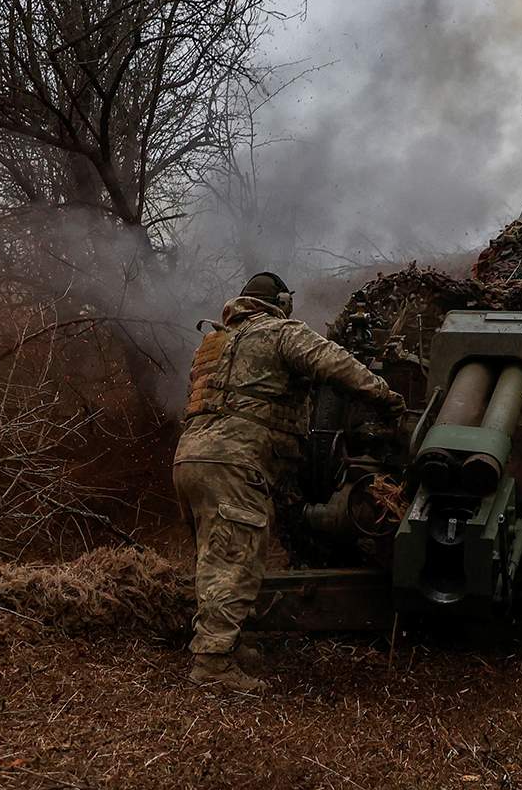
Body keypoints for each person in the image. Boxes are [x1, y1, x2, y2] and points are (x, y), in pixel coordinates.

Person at [173, 271, 405, 693]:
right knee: (234, 562)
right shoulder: (280, 332)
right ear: (280, 302)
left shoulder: (213, 344)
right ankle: (212, 665)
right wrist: (384, 395)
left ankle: (226, 644)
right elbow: (334, 363)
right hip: (236, 457)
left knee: (215, 557)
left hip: (190, 456)